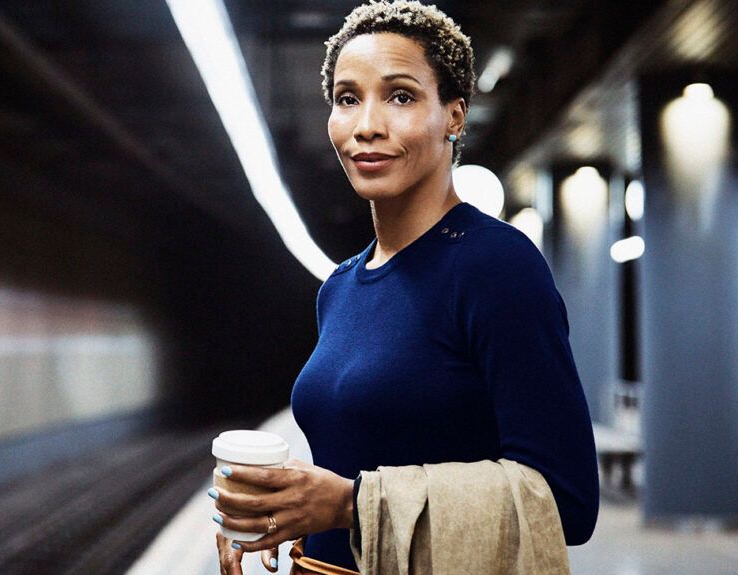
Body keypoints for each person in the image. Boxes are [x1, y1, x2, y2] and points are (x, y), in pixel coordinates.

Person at [211, 1, 599, 573]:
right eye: (347, 99)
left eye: (400, 96)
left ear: (455, 116)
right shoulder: (340, 286)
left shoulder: (497, 266)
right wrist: (280, 513)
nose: (367, 125)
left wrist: (351, 504)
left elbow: (567, 500)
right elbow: (353, 455)